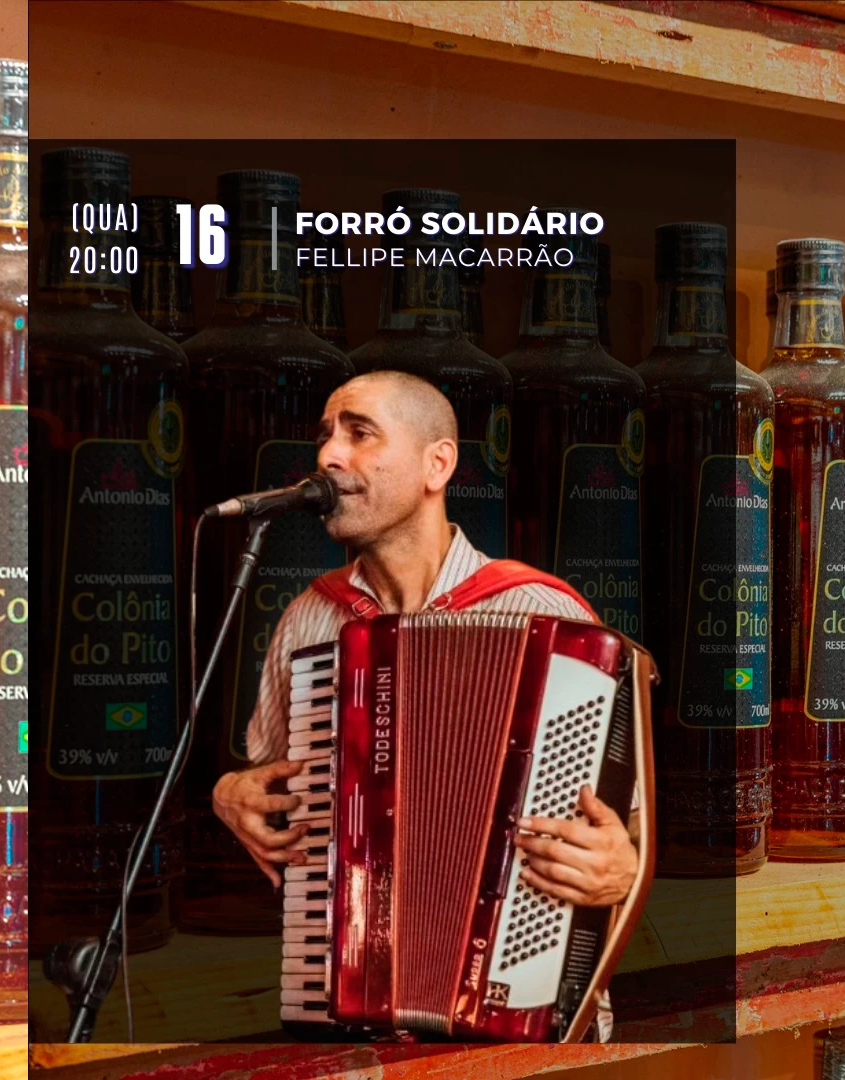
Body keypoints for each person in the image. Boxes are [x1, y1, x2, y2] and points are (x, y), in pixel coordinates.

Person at [213, 368, 641, 921]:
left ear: (437, 464)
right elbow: (271, 781)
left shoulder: (548, 617)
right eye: (325, 436)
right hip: (351, 947)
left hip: (514, 948)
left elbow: (630, 819)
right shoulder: (308, 619)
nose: (328, 456)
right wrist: (229, 792)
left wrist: (626, 867)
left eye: (360, 433)